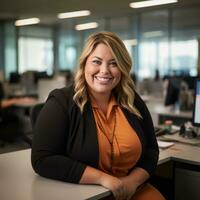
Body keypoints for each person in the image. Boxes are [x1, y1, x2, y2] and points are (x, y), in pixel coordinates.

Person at [31, 31, 165, 200]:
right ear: (84, 64)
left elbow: (151, 151)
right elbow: (42, 159)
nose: (104, 70)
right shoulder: (62, 102)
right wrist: (104, 179)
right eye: (97, 62)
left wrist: (131, 182)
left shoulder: (131, 100)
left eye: (113, 63)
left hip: (133, 188)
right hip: (87, 192)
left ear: (122, 68)